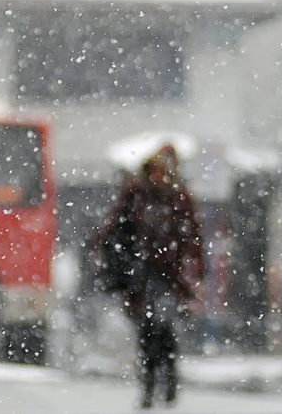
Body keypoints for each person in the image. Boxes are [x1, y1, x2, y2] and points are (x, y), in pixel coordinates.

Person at [95, 144, 204, 409]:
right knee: (148, 331)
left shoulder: (177, 198)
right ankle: (152, 383)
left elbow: (192, 239)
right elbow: (114, 229)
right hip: (141, 277)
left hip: (166, 277)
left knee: (161, 328)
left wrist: (193, 273)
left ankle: (164, 379)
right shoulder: (137, 195)